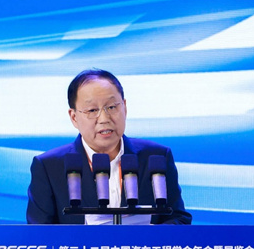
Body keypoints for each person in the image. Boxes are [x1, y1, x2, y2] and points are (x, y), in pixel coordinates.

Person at [26, 69, 192, 225]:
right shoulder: (49, 167)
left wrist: (147, 237)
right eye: (92, 110)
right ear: (74, 117)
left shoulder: (156, 158)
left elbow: (179, 219)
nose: (104, 118)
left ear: (124, 107)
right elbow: (39, 234)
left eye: (112, 107)